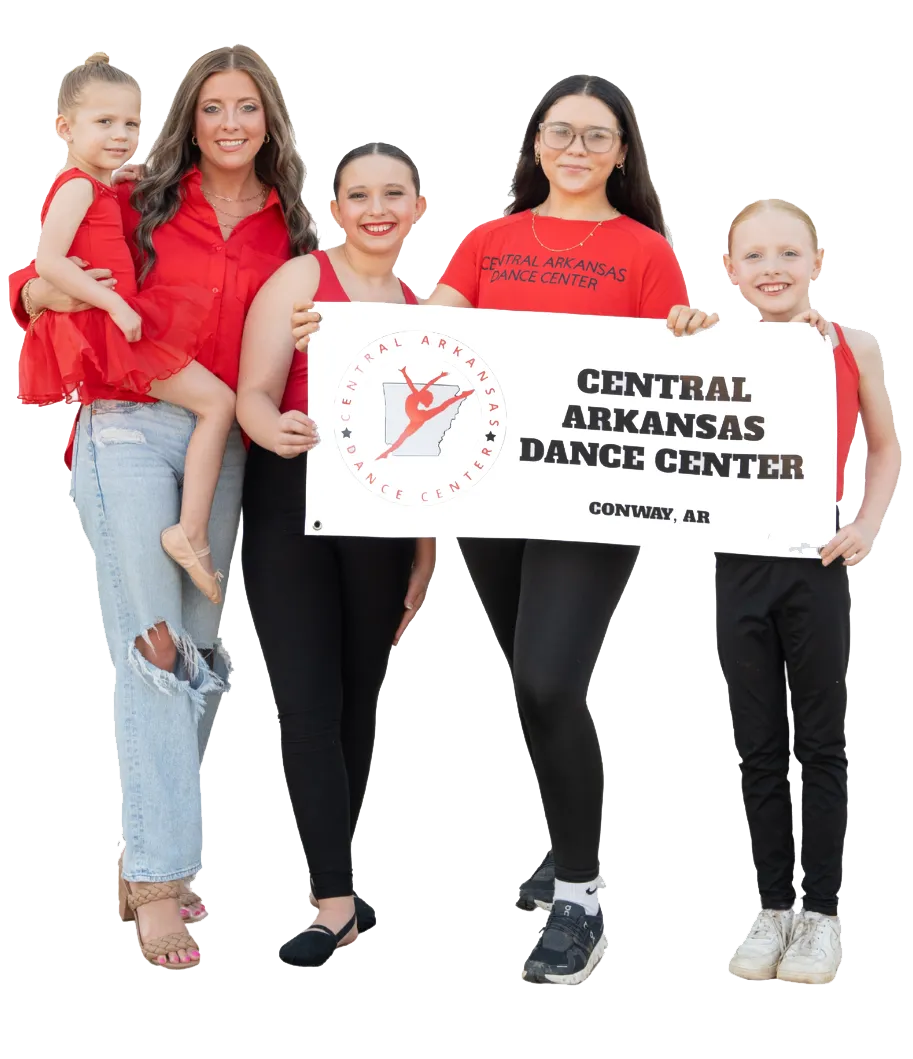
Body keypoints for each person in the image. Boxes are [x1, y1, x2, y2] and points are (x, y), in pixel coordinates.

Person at [291, 74, 718, 985]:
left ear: (622, 153)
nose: (575, 149)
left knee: (548, 678)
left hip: (590, 503)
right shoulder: (490, 239)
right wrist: (332, 327)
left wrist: (691, 330)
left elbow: (669, 376)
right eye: (559, 132)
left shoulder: (644, 252)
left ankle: (581, 895)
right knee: (535, 681)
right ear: (534, 144)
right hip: (490, 496)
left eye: (595, 135)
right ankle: (567, 836)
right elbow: (425, 337)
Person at [9, 43, 317, 968]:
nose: (230, 123)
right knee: (153, 647)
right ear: (191, 116)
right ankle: (158, 880)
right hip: (131, 429)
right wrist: (34, 287)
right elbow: (38, 278)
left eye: (247, 107)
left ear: (269, 121)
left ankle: (151, 844)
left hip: (225, 447)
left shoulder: (291, 227)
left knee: (200, 652)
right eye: (213, 107)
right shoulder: (142, 193)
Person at [237, 141, 436, 968]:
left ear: (419, 206)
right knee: (308, 703)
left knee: (357, 702)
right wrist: (271, 425)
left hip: (381, 517)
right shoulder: (299, 279)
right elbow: (252, 391)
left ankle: (339, 886)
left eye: (393, 194)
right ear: (335, 206)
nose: (376, 209)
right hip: (292, 498)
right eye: (358, 194)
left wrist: (425, 550)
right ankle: (332, 902)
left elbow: (430, 449)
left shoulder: (425, 307)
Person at [719, 198, 900, 984]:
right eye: (753, 256)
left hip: (814, 562)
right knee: (758, 741)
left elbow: (885, 444)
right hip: (738, 562)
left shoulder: (853, 343)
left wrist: (865, 521)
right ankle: (771, 905)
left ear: (817, 260)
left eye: (788, 253)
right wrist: (686, 327)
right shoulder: (716, 342)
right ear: (729, 269)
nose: (772, 268)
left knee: (820, 741)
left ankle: (819, 913)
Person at [18, 53, 236, 603]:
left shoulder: (96, 187)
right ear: (65, 127)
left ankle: (190, 531)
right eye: (105, 122)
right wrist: (114, 305)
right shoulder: (76, 187)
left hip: (114, 323)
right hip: (110, 329)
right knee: (218, 403)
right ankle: (190, 533)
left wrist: (118, 182)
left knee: (215, 403)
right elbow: (49, 262)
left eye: (132, 123)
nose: (121, 134)